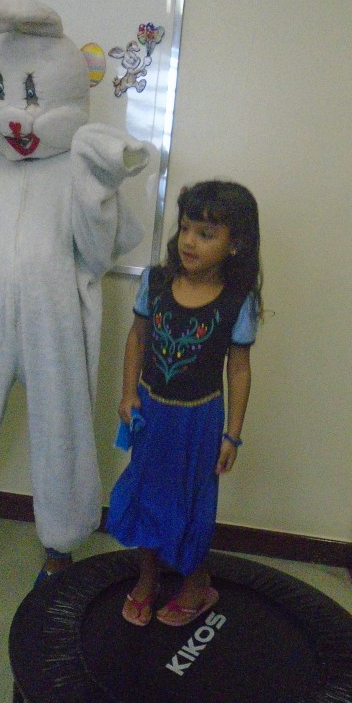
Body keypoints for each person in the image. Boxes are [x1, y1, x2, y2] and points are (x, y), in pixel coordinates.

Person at [107, 180, 262, 627]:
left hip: (200, 419)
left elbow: (239, 369)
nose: (189, 241)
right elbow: (138, 337)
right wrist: (128, 393)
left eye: (206, 234)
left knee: (191, 502)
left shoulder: (238, 301)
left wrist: (233, 435)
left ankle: (196, 582)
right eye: (186, 228)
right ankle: (148, 576)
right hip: (152, 412)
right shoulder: (155, 282)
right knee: (147, 491)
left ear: (235, 243)